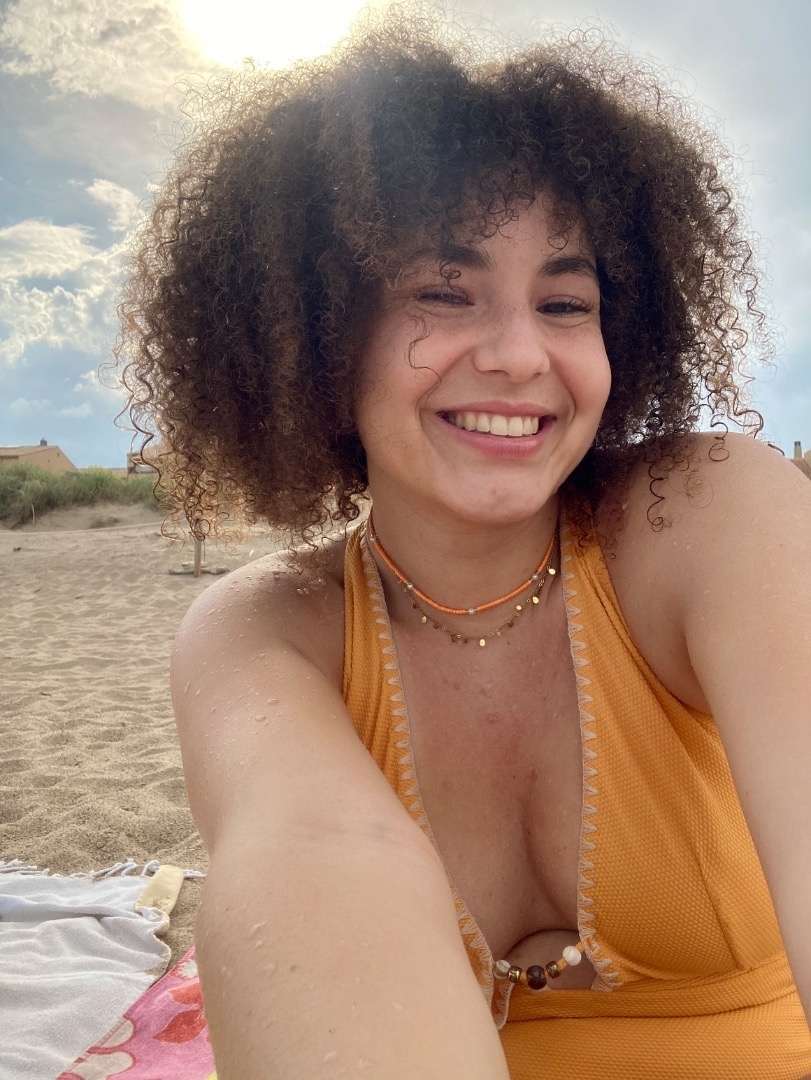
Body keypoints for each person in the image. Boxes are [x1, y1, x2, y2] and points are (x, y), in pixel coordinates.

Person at [118, 9, 811, 1078]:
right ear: (314, 335)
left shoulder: (707, 513)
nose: (520, 353)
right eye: (443, 292)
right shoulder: (266, 629)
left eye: (564, 301)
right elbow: (311, 867)